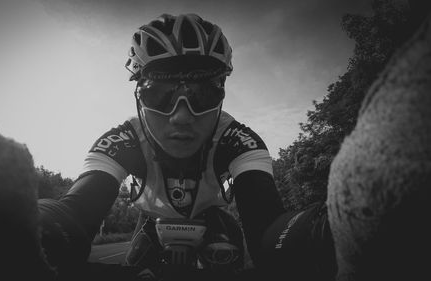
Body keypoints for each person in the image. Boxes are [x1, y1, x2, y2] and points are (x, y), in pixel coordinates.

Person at [38, 13, 335, 280]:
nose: (181, 116)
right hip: (152, 221)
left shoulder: (240, 140)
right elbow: (75, 212)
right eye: (160, 94)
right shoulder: (120, 140)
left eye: (203, 93)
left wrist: (328, 229)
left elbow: (270, 234)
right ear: (139, 96)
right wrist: (29, 224)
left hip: (213, 217)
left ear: (222, 95)